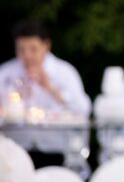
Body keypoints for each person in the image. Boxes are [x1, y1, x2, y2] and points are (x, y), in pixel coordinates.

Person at [0, 20, 91, 166]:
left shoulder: (64, 72)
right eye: (21, 50)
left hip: (56, 151)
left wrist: (51, 88)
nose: (27, 55)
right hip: (15, 153)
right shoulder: (6, 73)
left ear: (46, 46)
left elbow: (83, 109)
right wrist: (14, 99)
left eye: (33, 49)